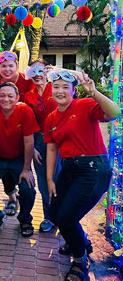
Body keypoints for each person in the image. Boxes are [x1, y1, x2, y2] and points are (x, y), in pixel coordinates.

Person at [45, 70, 120, 281]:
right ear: (51, 90)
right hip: (68, 170)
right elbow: (52, 150)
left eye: (65, 88)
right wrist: (50, 179)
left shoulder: (84, 105)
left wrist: (94, 92)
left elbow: (114, 113)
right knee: (54, 213)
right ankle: (82, 240)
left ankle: (80, 260)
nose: (60, 91)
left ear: (73, 91)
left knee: (66, 218)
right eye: (56, 87)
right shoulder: (51, 117)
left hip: (93, 170)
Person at [0, 82, 39, 237]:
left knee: (28, 189)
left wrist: (26, 169)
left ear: (17, 97)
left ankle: (25, 219)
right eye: (2, 95)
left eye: (10, 96)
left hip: (18, 159)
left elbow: (29, 141)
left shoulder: (25, 111)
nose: (6, 99)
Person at [0, 51, 35, 216]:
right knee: (3, 165)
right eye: (3, 66)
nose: (7, 69)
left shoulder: (27, 80)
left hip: (29, 129)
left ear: (17, 66)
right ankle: (12, 198)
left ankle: (36, 213)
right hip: (5, 131)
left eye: (10, 66)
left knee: (24, 172)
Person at [23, 59, 60, 232]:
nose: (37, 75)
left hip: (60, 138)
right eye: (33, 72)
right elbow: (29, 123)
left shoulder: (58, 88)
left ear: (47, 71)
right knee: (44, 179)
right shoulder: (28, 96)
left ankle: (63, 215)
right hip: (40, 140)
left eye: (41, 71)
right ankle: (49, 216)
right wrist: (34, 148)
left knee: (61, 177)